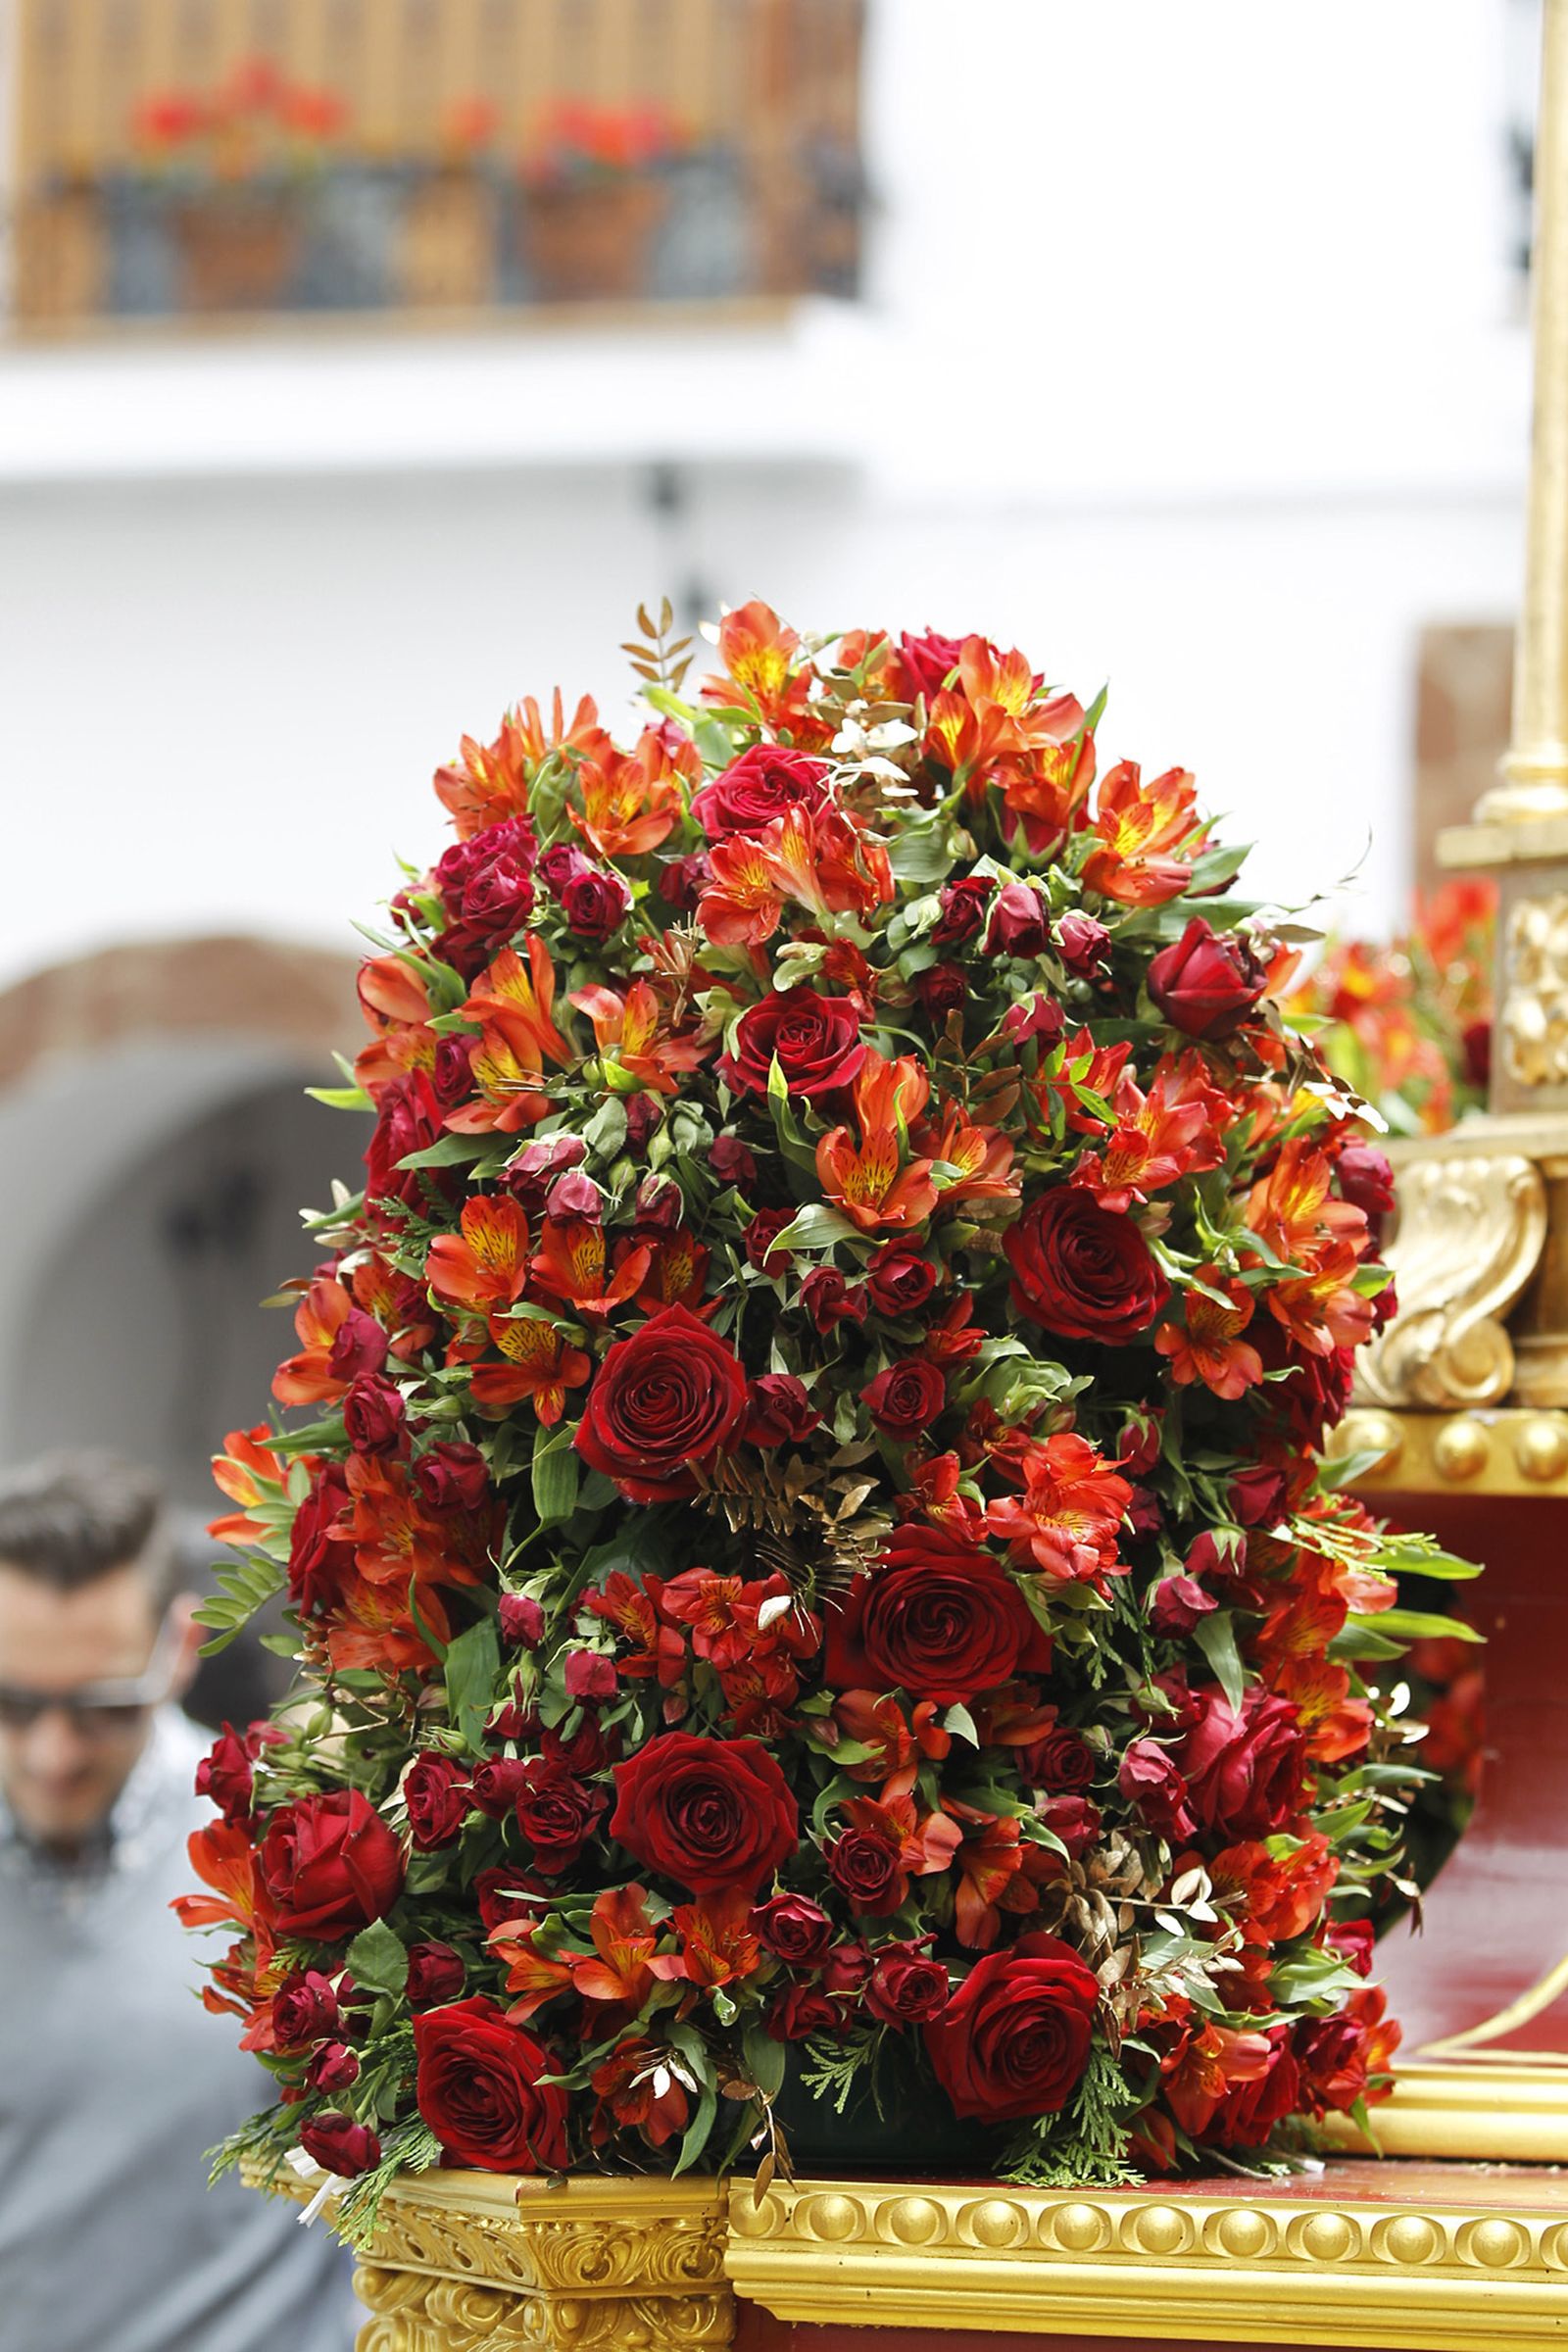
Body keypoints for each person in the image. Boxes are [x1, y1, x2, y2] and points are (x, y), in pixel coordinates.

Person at [0, 1452, 360, 2352]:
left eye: (101, 1707)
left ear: (177, 1648)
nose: (53, 1755)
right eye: (11, 1703)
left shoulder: (301, 1855)